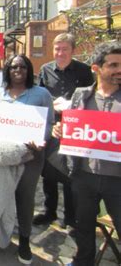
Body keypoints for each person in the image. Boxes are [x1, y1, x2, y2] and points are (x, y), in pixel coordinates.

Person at [0, 55, 54, 265]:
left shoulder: (41, 94)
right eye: (13, 67)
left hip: (28, 157)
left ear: (29, 70)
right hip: (2, 156)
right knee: (1, 193)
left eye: (22, 66)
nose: (18, 70)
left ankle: (24, 240)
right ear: (7, 70)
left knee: (24, 198)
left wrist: (41, 139)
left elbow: (49, 124)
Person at [52, 41, 121, 266]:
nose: (119, 70)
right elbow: (72, 127)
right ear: (96, 68)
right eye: (113, 65)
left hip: (117, 180)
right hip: (84, 175)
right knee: (83, 227)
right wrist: (60, 130)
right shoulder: (81, 96)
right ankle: (83, 262)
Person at [33, 33, 94, 229]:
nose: (60, 53)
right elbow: (39, 99)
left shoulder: (84, 72)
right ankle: (49, 211)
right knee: (49, 172)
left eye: (64, 49)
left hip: (76, 129)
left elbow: (91, 100)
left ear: (73, 50)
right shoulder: (45, 69)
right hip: (52, 128)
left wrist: (70, 106)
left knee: (71, 175)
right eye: (57, 49)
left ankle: (70, 217)